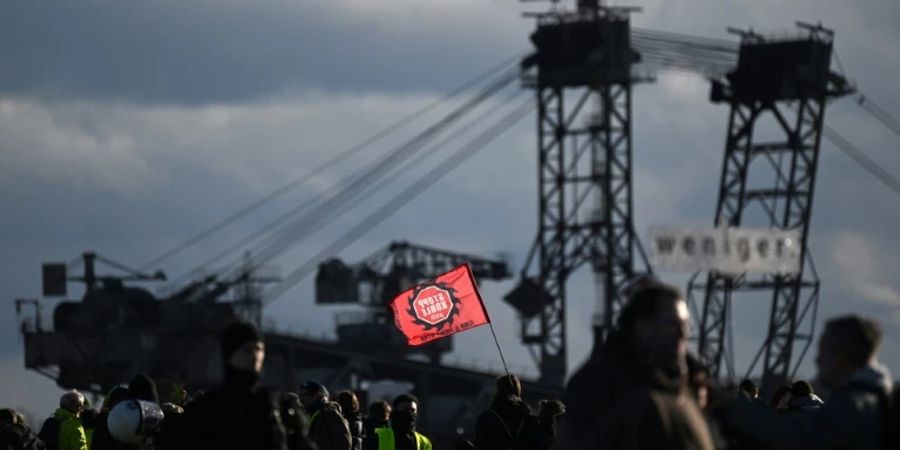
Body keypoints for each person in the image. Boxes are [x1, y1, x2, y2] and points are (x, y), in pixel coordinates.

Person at [551, 281, 714, 450]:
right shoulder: (599, 382)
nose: (682, 333)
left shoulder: (686, 387)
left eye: (685, 325)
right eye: (672, 323)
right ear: (641, 325)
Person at [726, 314, 894, 450]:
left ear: (841, 356)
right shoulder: (875, 400)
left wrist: (732, 406)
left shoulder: (851, 405)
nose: (818, 360)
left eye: (823, 351)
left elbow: (795, 435)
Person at [182, 321, 290, 450]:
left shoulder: (279, 404)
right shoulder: (206, 408)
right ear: (230, 355)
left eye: (259, 349)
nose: (255, 356)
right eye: (247, 350)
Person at [473, 375, 544, 450]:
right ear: (518, 390)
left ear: (498, 391)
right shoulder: (531, 420)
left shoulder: (486, 417)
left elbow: (479, 445)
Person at [299, 381, 350, 450]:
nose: (305, 397)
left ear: (319, 394)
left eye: (309, 394)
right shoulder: (305, 414)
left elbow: (343, 441)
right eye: (302, 395)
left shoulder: (330, 413)